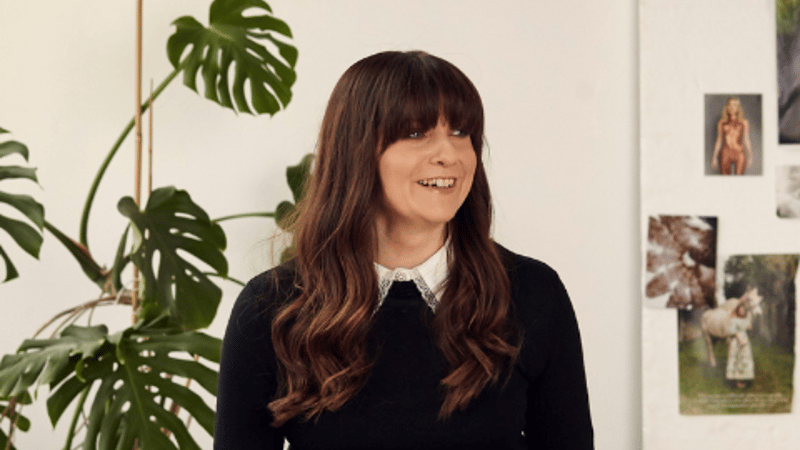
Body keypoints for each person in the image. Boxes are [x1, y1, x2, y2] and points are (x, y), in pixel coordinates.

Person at [214, 50, 593, 449]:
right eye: (416, 133)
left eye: (462, 132)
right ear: (356, 151)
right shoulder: (272, 308)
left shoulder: (533, 293)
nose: (449, 154)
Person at [710, 97, 753, 175]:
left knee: (739, 181)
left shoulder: (744, 122)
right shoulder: (721, 122)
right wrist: (714, 157)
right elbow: (719, 140)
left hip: (739, 152)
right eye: (729, 105)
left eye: (734, 105)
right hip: (726, 152)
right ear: (727, 107)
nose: (731, 107)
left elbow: (746, 139)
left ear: (738, 108)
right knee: (725, 182)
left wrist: (750, 156)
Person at [726, 304, 754, 389]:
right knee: (737, 358)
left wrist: (749, 325)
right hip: (737, 341)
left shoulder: (745, 320)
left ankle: (743, 378)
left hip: (745, 340)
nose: (742, 311)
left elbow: (749, 328)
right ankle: (737, 381)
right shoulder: (734, 320)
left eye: (743, 310)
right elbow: (733, 331)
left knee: (744, 358)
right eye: (740, 310)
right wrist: (740, 340)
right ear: (738, 311)